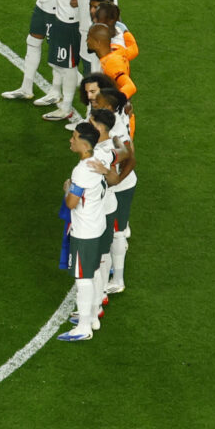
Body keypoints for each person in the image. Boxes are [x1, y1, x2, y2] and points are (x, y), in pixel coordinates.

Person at [58, 121, 114, 341]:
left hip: (84, 231)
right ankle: (92, 317)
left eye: (74, 137)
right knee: (93, 272)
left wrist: (66, 189)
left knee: (83, 278)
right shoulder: (98, 160)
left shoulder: (81, 171)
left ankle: (83, 327)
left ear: (83, 143)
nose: (71, 141)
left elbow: (71, 203)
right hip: (98, 225)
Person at [87, 96, 137, 296]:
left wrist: (116, 181)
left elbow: (130, 159)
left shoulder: (110, 140)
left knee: (116, 233)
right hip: (114, 189)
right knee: (113, 233)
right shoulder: (110, 137)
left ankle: (118, 279)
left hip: (119, 190)